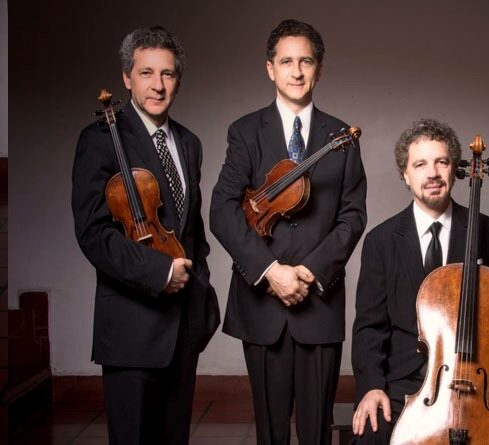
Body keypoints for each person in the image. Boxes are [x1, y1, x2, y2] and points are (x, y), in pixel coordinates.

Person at [209, 19, 367, 445]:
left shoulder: (342, 137)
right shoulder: (245, 132)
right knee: (270, 432)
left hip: (319, 302)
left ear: (319, 69)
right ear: (270, 68)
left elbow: (353, 216)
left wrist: (310, 271)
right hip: (262, 303)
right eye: (286, 62)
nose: (296, 72)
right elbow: (222, 211)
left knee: (317, 432)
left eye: (306, 62)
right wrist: (270, 270)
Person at [351, 118, 489, 444]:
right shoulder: (381, 241)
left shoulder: (487, 231)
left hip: (480, 381)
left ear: (455, 169)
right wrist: (372, 387)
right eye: (420, 164)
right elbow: (369, 328)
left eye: (441, 162)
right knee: (370, 435)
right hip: (405, 383)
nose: (432, 173)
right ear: (405, 174)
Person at [71, 26, 220, 445]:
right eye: (146, 73)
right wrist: (159, 272)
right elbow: (93, 234)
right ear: (127, 77)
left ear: (178, 80)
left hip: (182, 328)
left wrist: (201, 292)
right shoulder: (100, 139)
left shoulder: (188, 143)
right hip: (131, 327)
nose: (158, 85)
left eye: (167, 74)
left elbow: (191, 231)